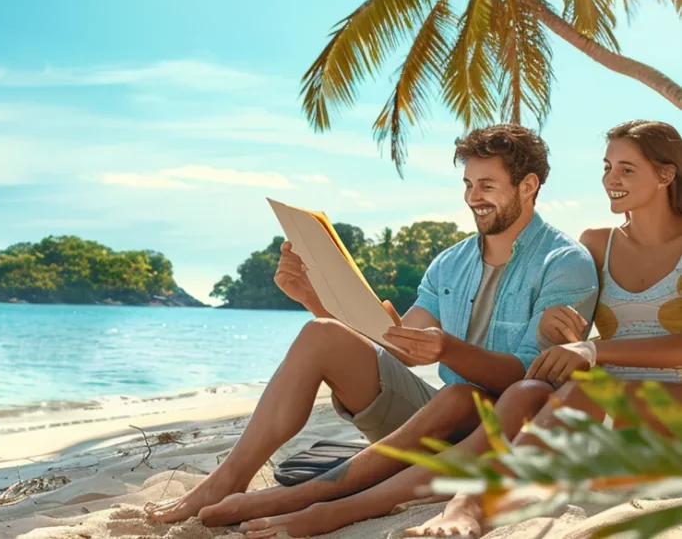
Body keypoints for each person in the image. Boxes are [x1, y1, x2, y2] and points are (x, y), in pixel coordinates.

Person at [146, 124, 599, 526]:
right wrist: (312, 297)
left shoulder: (564, 263)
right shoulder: (451, 262)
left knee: (465, 395)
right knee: (322, 334)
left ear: (528, 186)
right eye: (467, 183)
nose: (472, 197)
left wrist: (445, 350)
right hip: (434, 421)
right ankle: (228, 479)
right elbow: (400, 342)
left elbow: (530, 377)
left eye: (487, 184)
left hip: (510, 427)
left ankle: (311, 497)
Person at [398, 119, 682, 538]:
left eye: (626, 169)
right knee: (535, 392)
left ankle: (470, 505)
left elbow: (601, 350)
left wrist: (593, 352)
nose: (610, 180)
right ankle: (458, 495)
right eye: (606, 167)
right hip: (605, 407)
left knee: (576, 390)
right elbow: (579, 330)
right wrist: (559, 329)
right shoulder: (597, 244)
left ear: (666, 174)